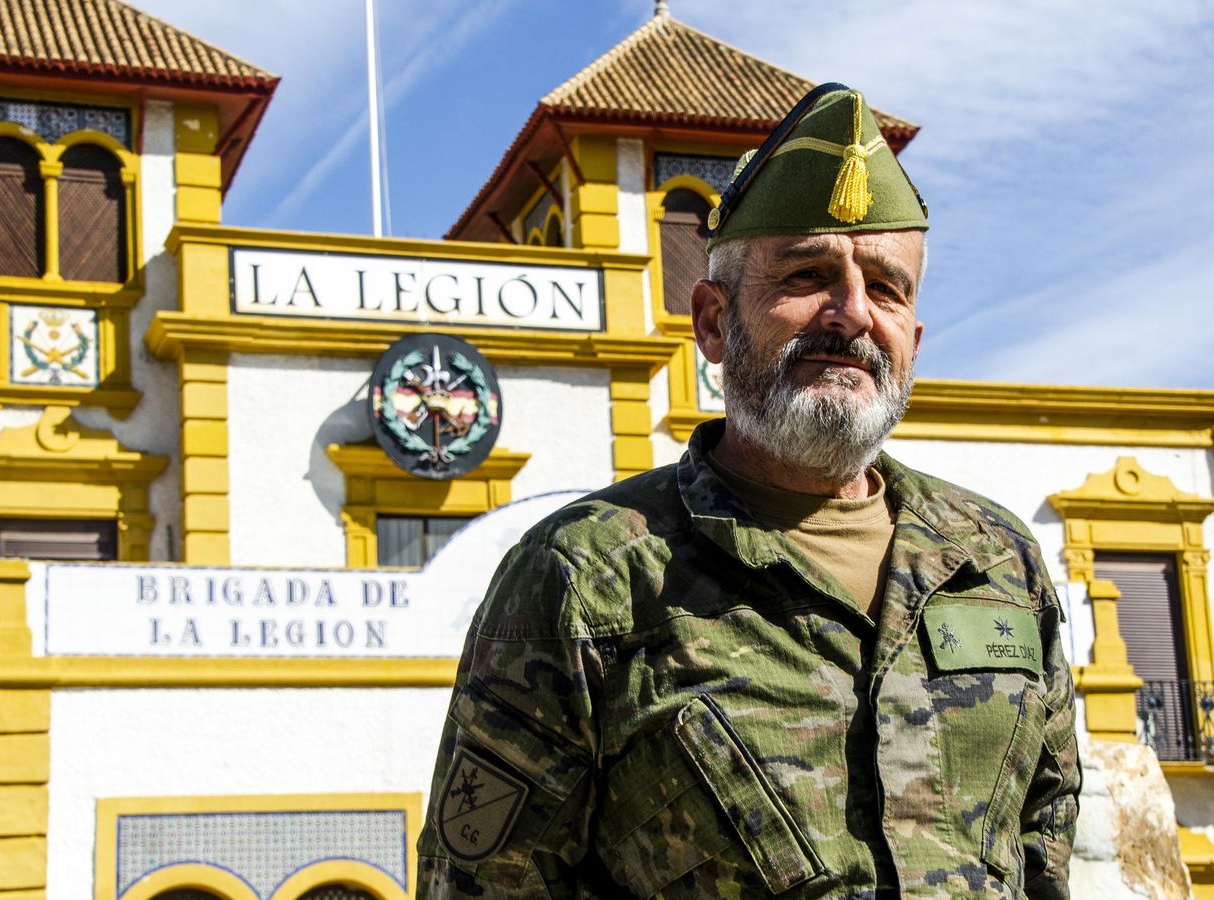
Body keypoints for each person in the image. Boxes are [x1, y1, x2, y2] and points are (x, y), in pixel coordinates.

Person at [418, 83, 1080, 899]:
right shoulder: (589, 576)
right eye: (806, 274)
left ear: (913, 335)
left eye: (886, 287)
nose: (850, 314)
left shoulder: (996, 561)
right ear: (712, 321)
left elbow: (1043, 847)